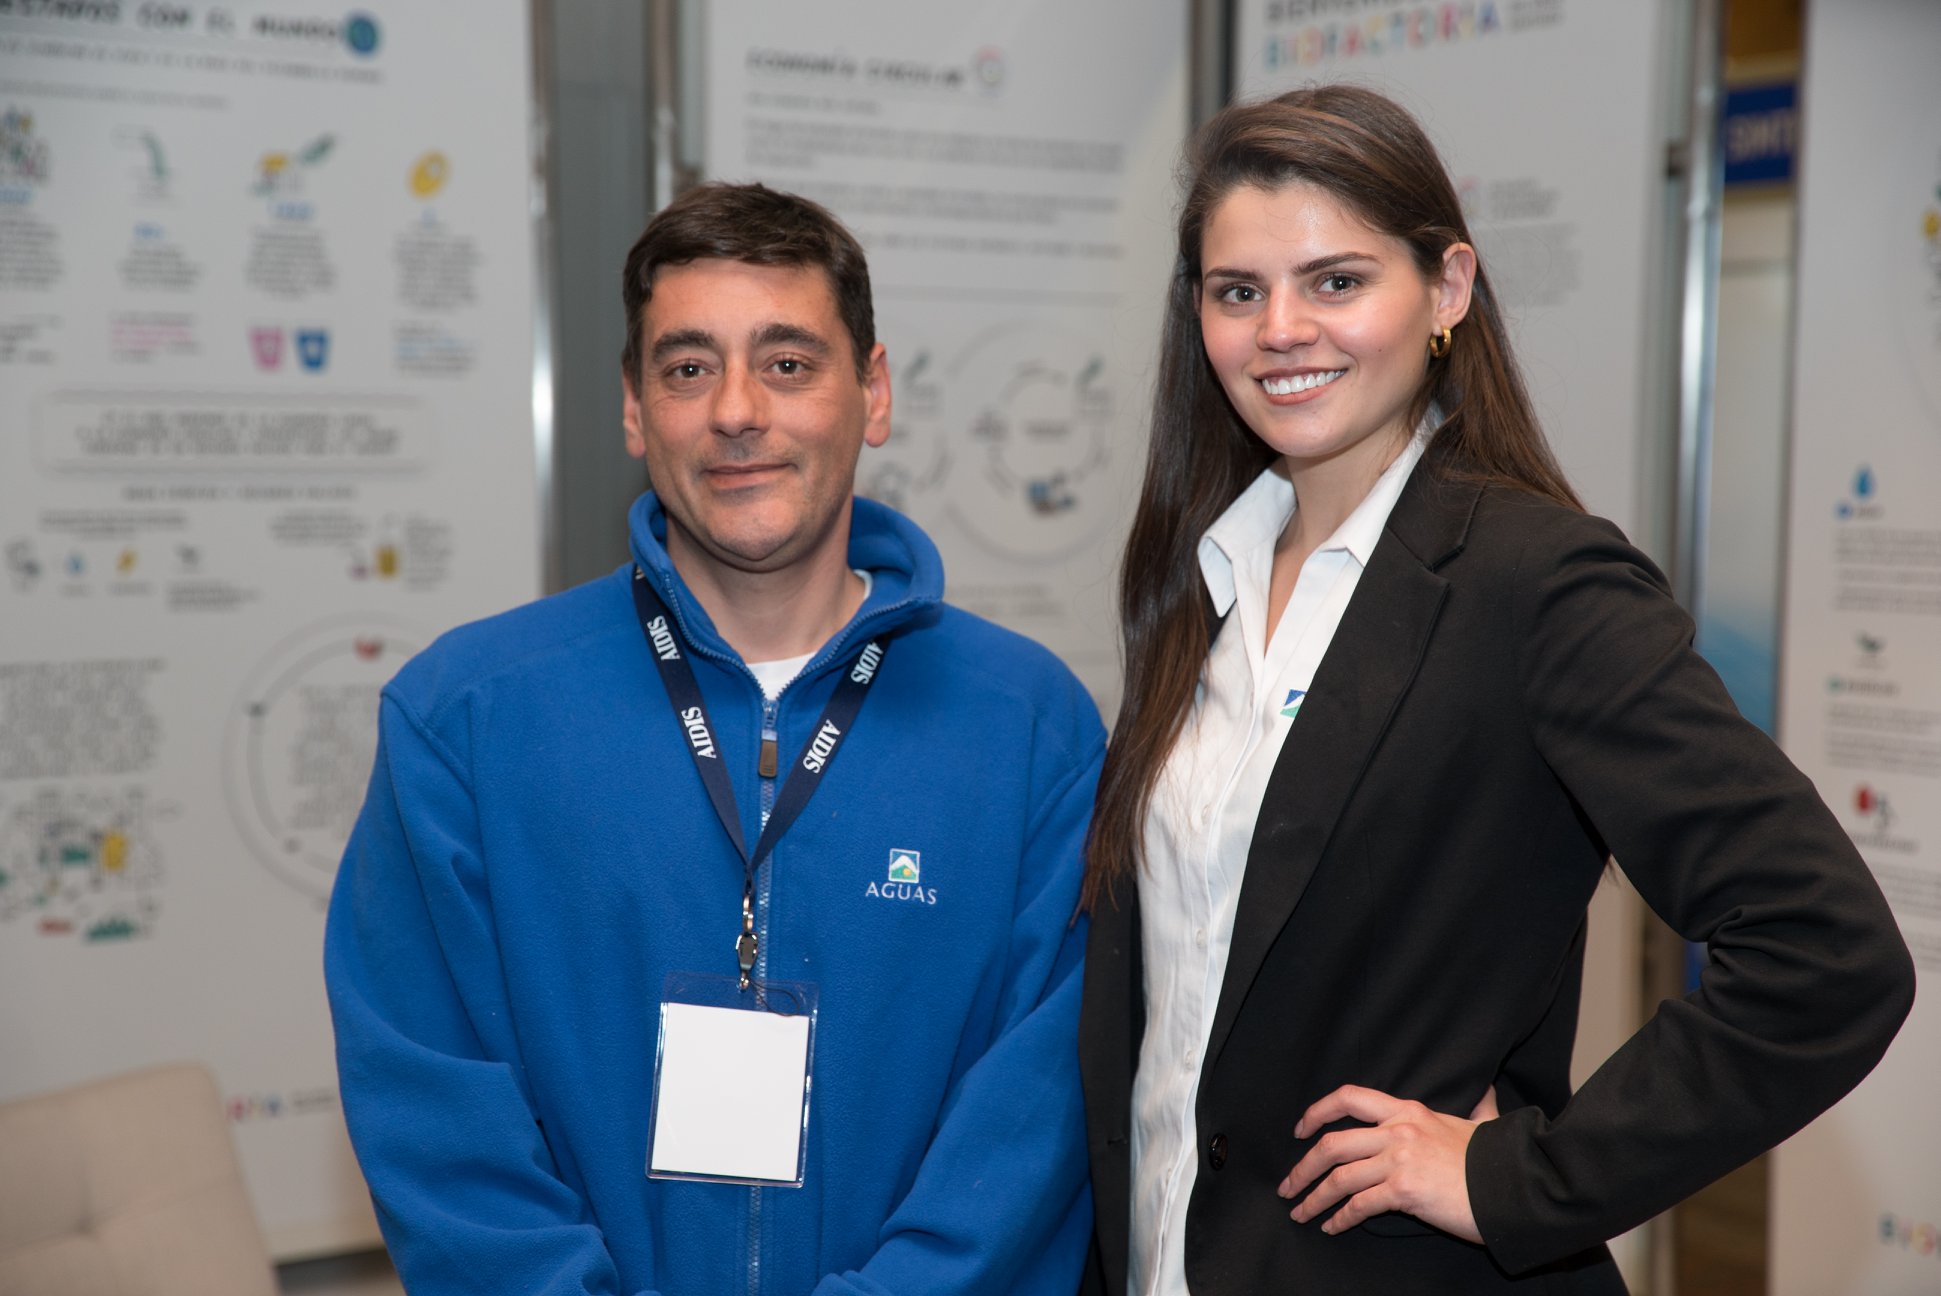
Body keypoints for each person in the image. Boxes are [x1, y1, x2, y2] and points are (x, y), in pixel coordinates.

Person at [1077, 85, 1915, 1295]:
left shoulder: (1539, 585)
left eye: (1336, 281)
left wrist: (1519, 1178)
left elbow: (1828, 952)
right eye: (1238, 292)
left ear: (1448, 290)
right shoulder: (1198, 578)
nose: (1282, 331)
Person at [326, 182, 1102, 1295]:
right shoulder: (466, 719)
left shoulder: (1027, 729)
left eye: (788, 362)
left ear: (872, 392)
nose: (737, 410)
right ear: (635, 409)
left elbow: (1035, 1121)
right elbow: (432, 1105)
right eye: (689, 369)